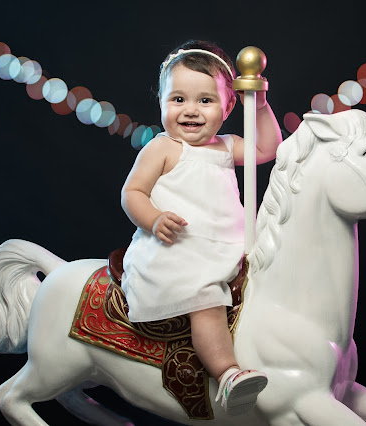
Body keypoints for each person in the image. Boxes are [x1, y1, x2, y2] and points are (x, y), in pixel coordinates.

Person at [120, 40, 282, 416]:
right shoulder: (162, 148)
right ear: (161, 102)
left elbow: (268, 148)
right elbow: (133, 193)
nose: (190, 110)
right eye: (177, 99)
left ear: (228, 107)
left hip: (226, 248)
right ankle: (227, 374)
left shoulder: (226, 147)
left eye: (205, 101)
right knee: (206, 301)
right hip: (179, 254)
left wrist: (257, 104)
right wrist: (154, 218)